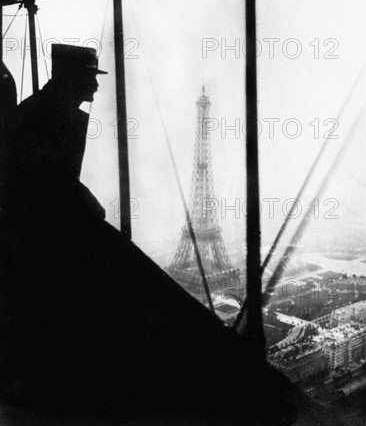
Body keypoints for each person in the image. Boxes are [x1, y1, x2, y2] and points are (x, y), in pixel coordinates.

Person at [1, 44, 296, 424]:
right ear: (70, 78)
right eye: (90, 77)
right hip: (45, 238)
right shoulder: (46, 116)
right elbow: (42, 184)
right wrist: (86, 205)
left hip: (43, 237)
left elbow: (43, 182)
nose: (95, 86)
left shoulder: (40, 112)